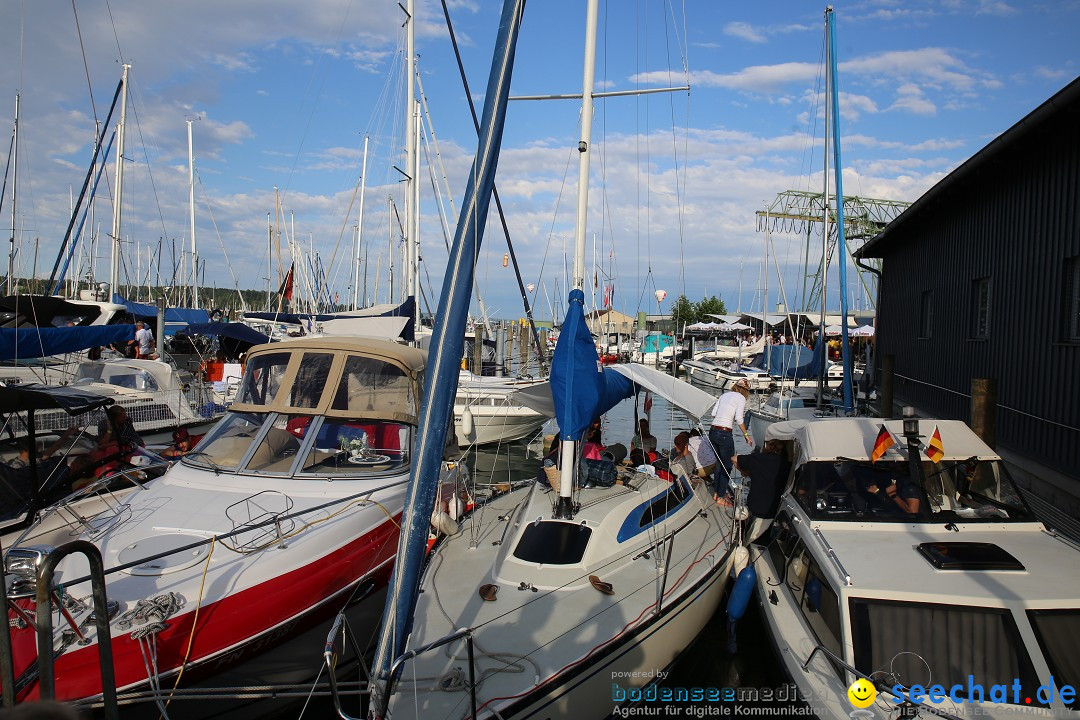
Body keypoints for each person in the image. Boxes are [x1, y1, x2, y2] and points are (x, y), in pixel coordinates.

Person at [709, 378, 753, 505]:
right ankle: (721, 497)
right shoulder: (741, 398)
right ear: (745, 391)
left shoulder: (724, 395)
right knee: (727, 465)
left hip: (713, 430)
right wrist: (746, 435)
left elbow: (713, 413)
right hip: (724, 433)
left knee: (719, 463)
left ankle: (717, 493)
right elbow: (739, 419)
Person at [733, 439, 790, 518]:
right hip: (775, 509)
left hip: (755, 507)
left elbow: (734, 459)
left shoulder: (757, 458)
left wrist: (745, 472)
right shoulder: (788, 466)